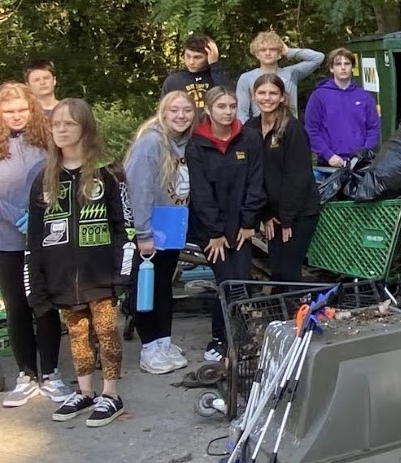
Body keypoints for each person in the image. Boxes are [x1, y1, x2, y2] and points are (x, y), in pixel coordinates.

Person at [24, 98, 134, 427]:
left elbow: (124, 225)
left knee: (106, 330)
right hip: (61, 277)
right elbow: (33, 237)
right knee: (76, 333)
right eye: (55, 124)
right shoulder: (44, 179)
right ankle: (84, 390)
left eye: (68, 124)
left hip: (100, 273)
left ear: (84, 128)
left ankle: (111, 394)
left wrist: (123, 272)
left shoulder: (109, 172)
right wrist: (37, 281)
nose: (60, 130)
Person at [0, 82, 72, 408]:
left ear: (32, 109)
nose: (16, 116)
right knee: (17, 306)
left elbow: (62, 180)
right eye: (9, 111)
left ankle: (51, 373)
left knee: (45, 303)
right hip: (4, 237)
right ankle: (26, 374)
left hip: (45, 236)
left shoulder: (45, 139)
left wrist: (45, 216)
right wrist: (16, 216)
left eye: (22, 110)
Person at [187, 86, 266, 362]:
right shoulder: (197, 144)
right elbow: (200, 192)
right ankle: (220, 338)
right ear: (208, 110)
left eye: (232, 106)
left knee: (241, 281)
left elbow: (256, 183)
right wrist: (215, 233)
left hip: (241, 227)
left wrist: (248, 222)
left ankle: (242, 338)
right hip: (212, 231)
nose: (228, 111)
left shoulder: (250, 139)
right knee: (226, 282)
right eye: (221, 106)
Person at [123, 91, 195, 375]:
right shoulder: (151, 143)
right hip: (150, 226)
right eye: (174, 110)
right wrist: (143, 233)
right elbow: (138, 190)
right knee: (146, 287)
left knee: (164, 285)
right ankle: (148, 346)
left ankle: (163, 340)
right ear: (163, 113)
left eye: (186, 111)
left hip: (171, 222)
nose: (181, 116)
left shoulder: (186, 143)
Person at [245, 74, 321, 281]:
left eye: (272, 93)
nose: (267, 98)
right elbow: (252, 175)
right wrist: (266, 214)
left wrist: (286, 219)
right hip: (272, 213)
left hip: (298, 213)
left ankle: (296, 311)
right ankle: (282, 311)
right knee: (277, 270)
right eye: (262, 93)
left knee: (289, 270)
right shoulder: (250, 128)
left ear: (282, 97)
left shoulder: (293, 129)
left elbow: (298, 177)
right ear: (254, 96)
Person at [303, 48, 380, 167]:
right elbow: (311, 129)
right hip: (328, 162)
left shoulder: (365, 97)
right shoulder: (319, 96)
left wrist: (363, 154)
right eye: (338, 64)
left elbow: (373, 128)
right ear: (331, 68)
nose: (343, 67)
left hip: (360, 163)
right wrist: (328, 155)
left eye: (347, 64)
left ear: (352, 67)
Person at [236, 32, 324, 122]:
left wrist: (288, 52)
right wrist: (250, 134)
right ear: (257, 54)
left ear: (279, 53)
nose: (268, 53)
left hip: (290, 129)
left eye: (272, 49)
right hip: (260, 130)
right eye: (263, 50)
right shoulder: (246, 78)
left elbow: (318, 57)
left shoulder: (291, 73)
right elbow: (242, 114)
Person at [161, 33, 233, 110]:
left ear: (209, 56)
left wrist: (214, 65)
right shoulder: (174, 80)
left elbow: (230, 97)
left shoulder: (217, 76)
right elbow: (164, 111)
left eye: (197, 57)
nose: (191, 62)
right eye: (188, 56)